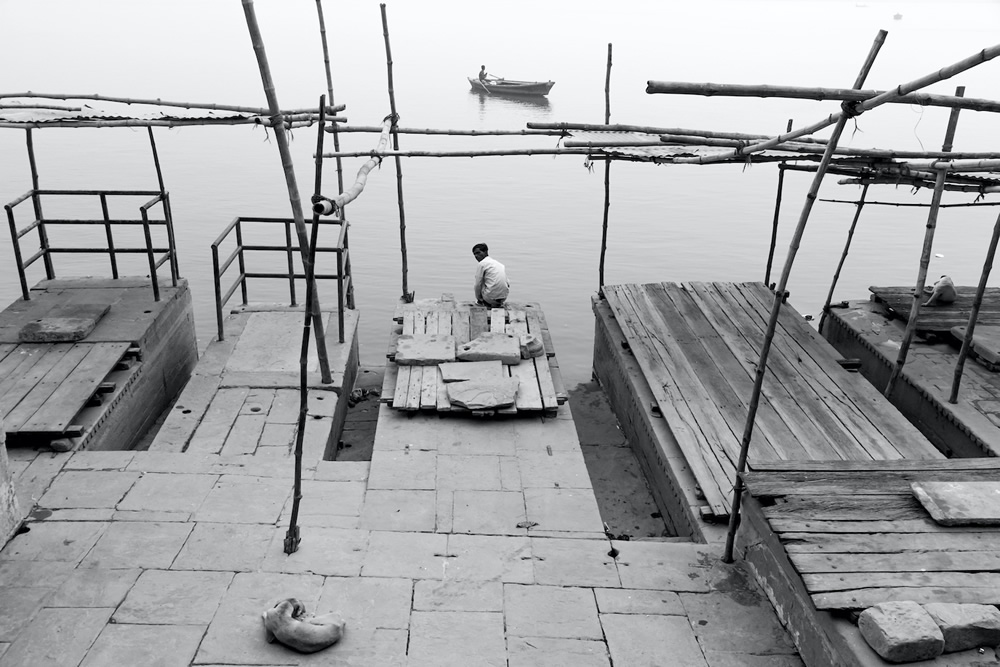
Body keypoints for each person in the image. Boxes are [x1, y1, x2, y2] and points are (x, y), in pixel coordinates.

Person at [472, 242, 509, 308]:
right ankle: (497, 302)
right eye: (474, 254)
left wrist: (479, 299)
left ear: (485, 252)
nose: (476, 256)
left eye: (478, 253)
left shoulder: (482, 264)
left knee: (481, 280)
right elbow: (508, 283)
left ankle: (483, 302)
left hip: (490, 299)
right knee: (492, 278)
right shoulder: (499, 264)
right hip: (503, 298)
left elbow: (477, 284)